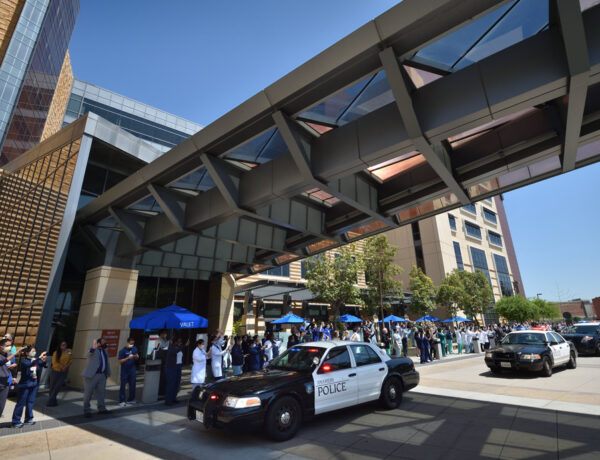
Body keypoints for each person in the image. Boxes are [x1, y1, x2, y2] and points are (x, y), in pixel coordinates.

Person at [11, 347, 47, 427]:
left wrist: (44, 360)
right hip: (25, 385)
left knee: (30, 402)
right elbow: (30, 364)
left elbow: (43, 365)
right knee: (21, 403)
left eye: (35, 351)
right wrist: (39, 357)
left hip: (34, 384)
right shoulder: (25, 361)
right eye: (32, 351)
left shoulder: (36, 360)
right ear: (27, 353)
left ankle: (28, 418)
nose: (34, 353)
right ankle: (16, 421)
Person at [81, 337, 111, 417]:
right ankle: (86, 410)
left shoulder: (105, 351)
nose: (106, 344)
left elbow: (107, 362)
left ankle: (102, 409)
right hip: (91, 375)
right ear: (99, 343)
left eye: (106, 342)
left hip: (102, 375)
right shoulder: (94, 350)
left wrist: (108, 372)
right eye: (104, 342)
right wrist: (93, 348)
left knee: (101, 393)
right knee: (88, 394)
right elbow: (87, 355)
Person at [0, 338, 22, 418]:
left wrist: (13, 373)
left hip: (5, 383)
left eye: (10, 346)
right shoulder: (8, 355)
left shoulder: (9, 354)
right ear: (1, 346)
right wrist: (15, 353)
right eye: (7, 346)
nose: (9, 347)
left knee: (1, 405)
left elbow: (11, 364)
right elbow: (2, 362)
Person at [46, 341, 72, 406]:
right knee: (52, 386)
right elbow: (54, 362)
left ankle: (50, 400)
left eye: (65, 344)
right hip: (55, 371)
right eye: (62, 345)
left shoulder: (69, 351)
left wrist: (66, 367)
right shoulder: (56, 352)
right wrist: (62, 367)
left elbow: (70, 360)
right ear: (60, 346)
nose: (64, 346)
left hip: (63, 372)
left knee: (58, 386)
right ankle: (52, 401)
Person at [165, 336, 187, 405]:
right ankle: (168, 400)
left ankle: (174, 398)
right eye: (178, 341)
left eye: (180, 341)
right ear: (175, 342)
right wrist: (184, 346)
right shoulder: (171, 347)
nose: (180, 343)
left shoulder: (179, 348)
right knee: (171, 384)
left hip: (178, 366)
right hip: (172, 367)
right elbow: (175, 351)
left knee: (177, 384)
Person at [117, 337, 139, 407]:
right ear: (127, 343)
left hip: (132, 369)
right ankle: (122, 400)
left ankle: (131, 399)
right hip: (125, 370)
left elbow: (137, 357)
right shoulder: (122, 351)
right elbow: (120, 361)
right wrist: (127, 358)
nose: (131, 345)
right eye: (130, 343)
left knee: (132, 384)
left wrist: (136, 356)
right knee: (123, 385)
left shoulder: (134, 349)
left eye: (133, 344)